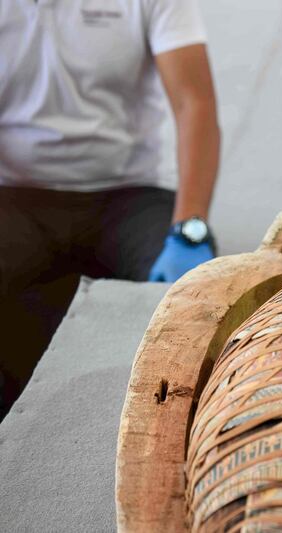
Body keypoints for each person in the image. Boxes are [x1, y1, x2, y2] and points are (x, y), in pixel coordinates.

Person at [0, 0, 221, 414]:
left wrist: (191, 227)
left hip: (128, 191)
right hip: (15, 191)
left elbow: (195, 104)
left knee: (197, 299)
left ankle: (181, 431)